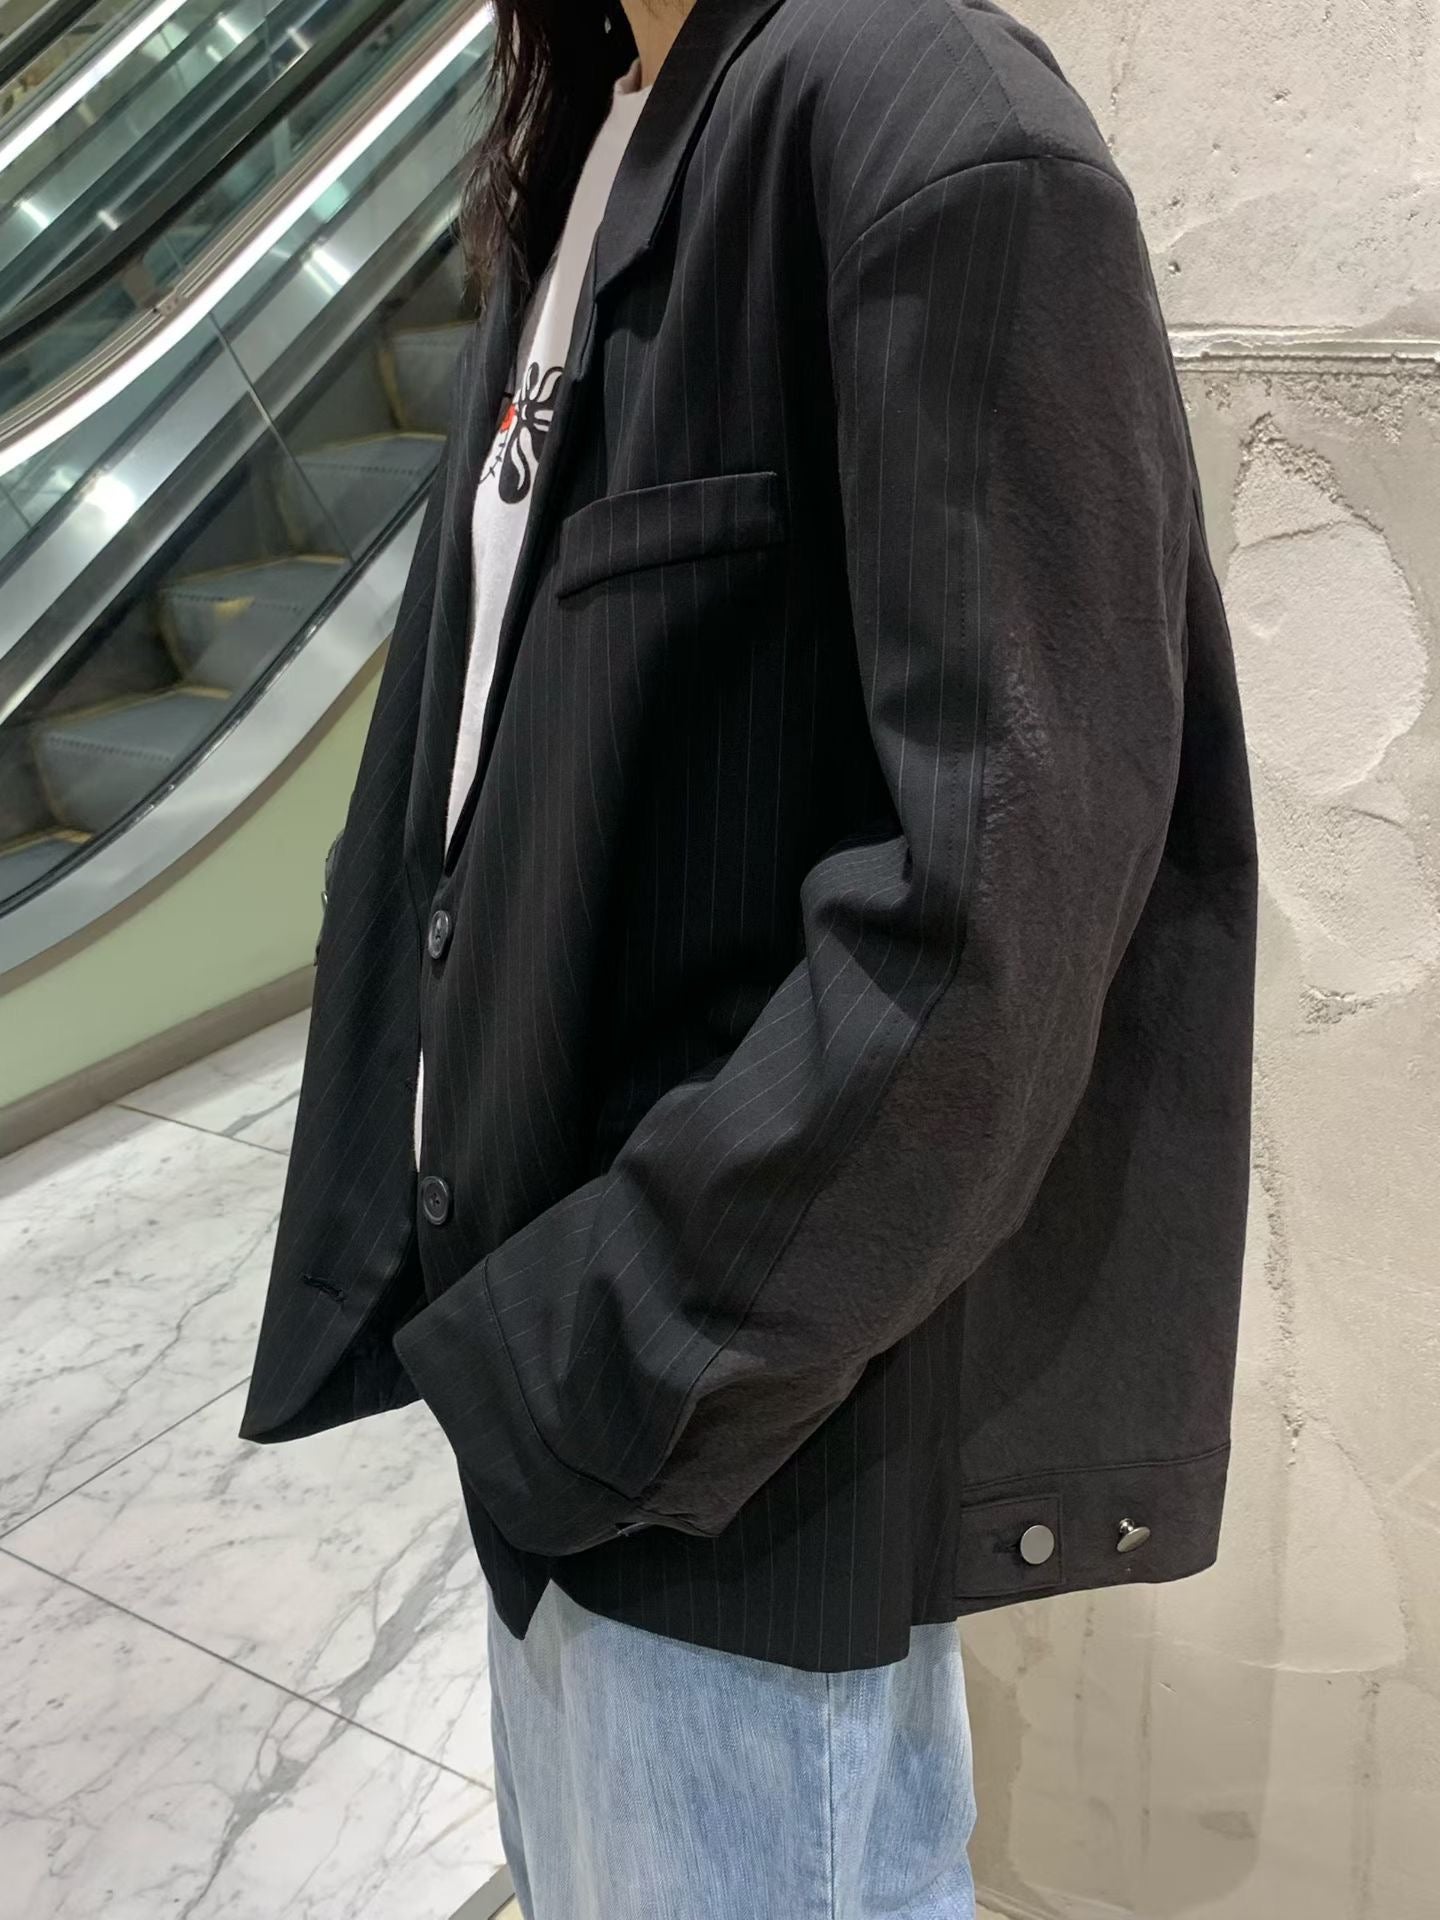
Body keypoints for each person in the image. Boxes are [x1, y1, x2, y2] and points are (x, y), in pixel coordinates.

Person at [240, 1, 1258, 1914]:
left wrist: (612, 1349)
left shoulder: (929, 126)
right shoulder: (602, 137)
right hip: (575, 1415)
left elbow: (1001, 905)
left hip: (719, 1450)